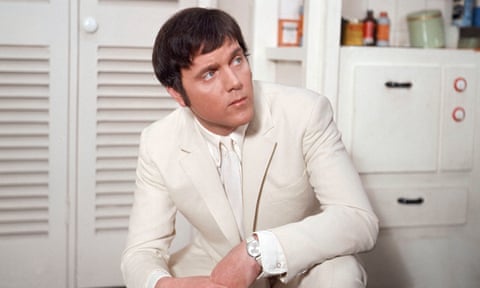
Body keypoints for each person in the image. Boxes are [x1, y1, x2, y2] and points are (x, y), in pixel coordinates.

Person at [121, 7, 378, 288]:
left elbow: (357, 218)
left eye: (237, 60)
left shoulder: (306, 112)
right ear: (177, 94)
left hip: (300, 264)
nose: (235, 82)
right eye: (209, 73)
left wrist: (257, 251)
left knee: (341, 272)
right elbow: (141, 251)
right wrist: (165, 285)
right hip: (213, 264)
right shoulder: (158, 142)